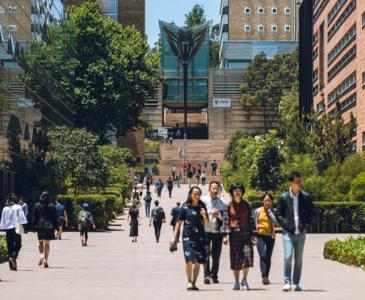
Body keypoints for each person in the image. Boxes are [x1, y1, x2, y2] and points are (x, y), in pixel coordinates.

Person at [275, 171, 314, 292]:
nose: (300, 183)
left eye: (300, 181)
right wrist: (286, 224)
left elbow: (311, 212)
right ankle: (287, 282)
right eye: (297, 182)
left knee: (299, 259)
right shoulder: (284, 197)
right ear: (291, 183)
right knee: (288, 256)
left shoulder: (305, 197)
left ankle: (296, 283)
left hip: (301, 232)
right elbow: (278, 214)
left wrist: (305, 224)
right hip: (288, 232)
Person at [170, 186, 209, 291]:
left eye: (198, 194)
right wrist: (174, 237)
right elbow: (178, 223)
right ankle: (189, 281)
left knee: (197, 262)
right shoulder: (185, 206)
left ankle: (194, 283)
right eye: (194, 194)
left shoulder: (202, 206)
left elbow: (207, 224)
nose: (196, 196)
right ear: (190, 194)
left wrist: (205, 216)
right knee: (189, 260)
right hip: (187, 237)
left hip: (200, 237)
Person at [221, 183, 255, 290]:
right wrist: (225, 235)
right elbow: (226, 220)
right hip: (234, 234)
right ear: (232, 192)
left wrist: (253, 234)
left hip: (246, 233)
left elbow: (251, 220)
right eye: (235, 190)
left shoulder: (247, 204)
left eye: (239, 189)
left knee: (247, 256)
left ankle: (244, 280)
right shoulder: (228, 205)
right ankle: (236, 281)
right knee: (235, 258)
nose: (237, 191)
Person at [201, 182, 227, 284]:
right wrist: (209, 212)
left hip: (217, 230)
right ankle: (206, 275)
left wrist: (218, 215)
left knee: (216, 255)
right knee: (206, 253)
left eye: (217, 189)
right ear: (209, 189)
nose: (215, 191)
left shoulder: (222, 202)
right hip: (206, 229)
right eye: (213, 188)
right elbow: (200, 212)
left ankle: (214, 275)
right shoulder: (203, 200)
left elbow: (225, 217)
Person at [254, 193, 277, 285]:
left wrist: (270, 212)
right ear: (262, 201)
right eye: (265, 200)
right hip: (260, 235)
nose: (267, 202)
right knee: (262, 255)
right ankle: (263, 276)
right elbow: (254, 221)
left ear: (271, 202)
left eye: (269, 200)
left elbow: (276, 221)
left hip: (270, 236)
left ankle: (266, 277)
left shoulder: (274, 211)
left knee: (268, 257)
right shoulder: (258, 210)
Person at [0, 193, 27, 271]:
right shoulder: (18, 207)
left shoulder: (5, 208)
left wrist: (2, 227)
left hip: (8, 230)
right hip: (16, 229)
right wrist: (25, 227)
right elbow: (22, 217)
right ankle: (13, 257)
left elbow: (3, 220)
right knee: (18, 245)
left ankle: (12, 267)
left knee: (10, 247)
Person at [33, 191, 59, 268]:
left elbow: (34, 217)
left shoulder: (37, 205)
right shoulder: (52, 206)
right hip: (49, 227)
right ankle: (46, 260)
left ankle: (41, 255)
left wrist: (33, 227)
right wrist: (57, 228)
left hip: (40, 226)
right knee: (47, 244)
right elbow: (55, 218)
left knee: (40, 242)